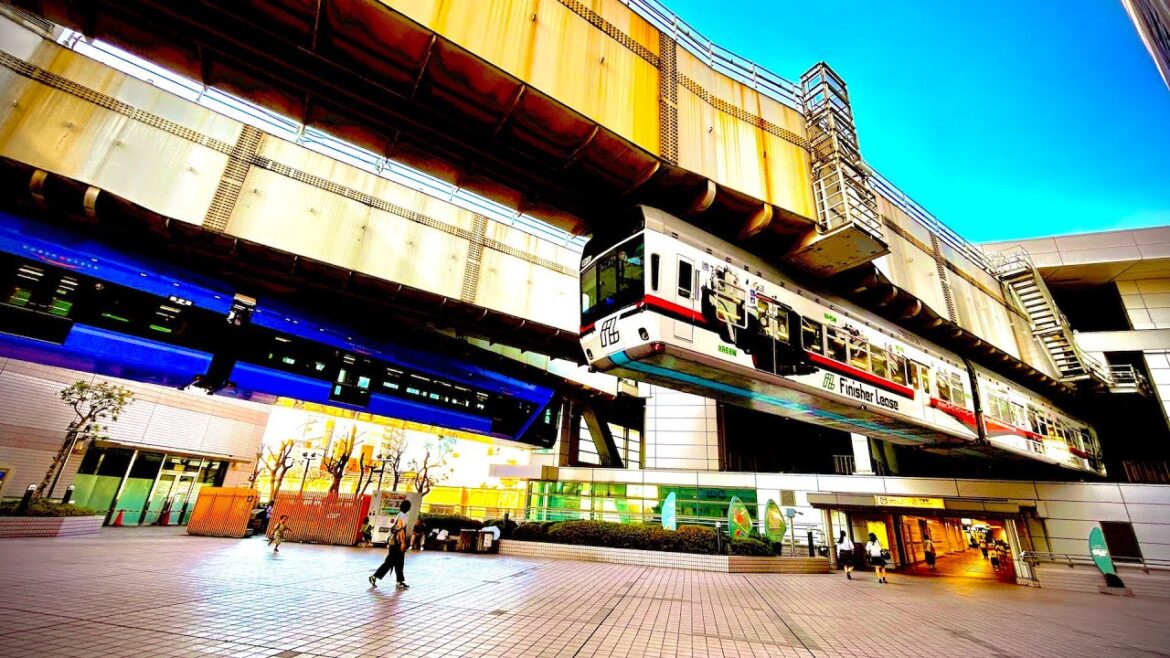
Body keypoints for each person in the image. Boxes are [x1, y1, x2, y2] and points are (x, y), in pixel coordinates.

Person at [370, 500, 411, 589]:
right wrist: (403, 543)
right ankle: (375, 576)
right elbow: (400, 530)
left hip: (395, 542)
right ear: (407, 508)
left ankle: (399, 581)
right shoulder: (402, 516)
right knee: (391, 562)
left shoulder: (400, 515)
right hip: (397, 543)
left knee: (398, 562)